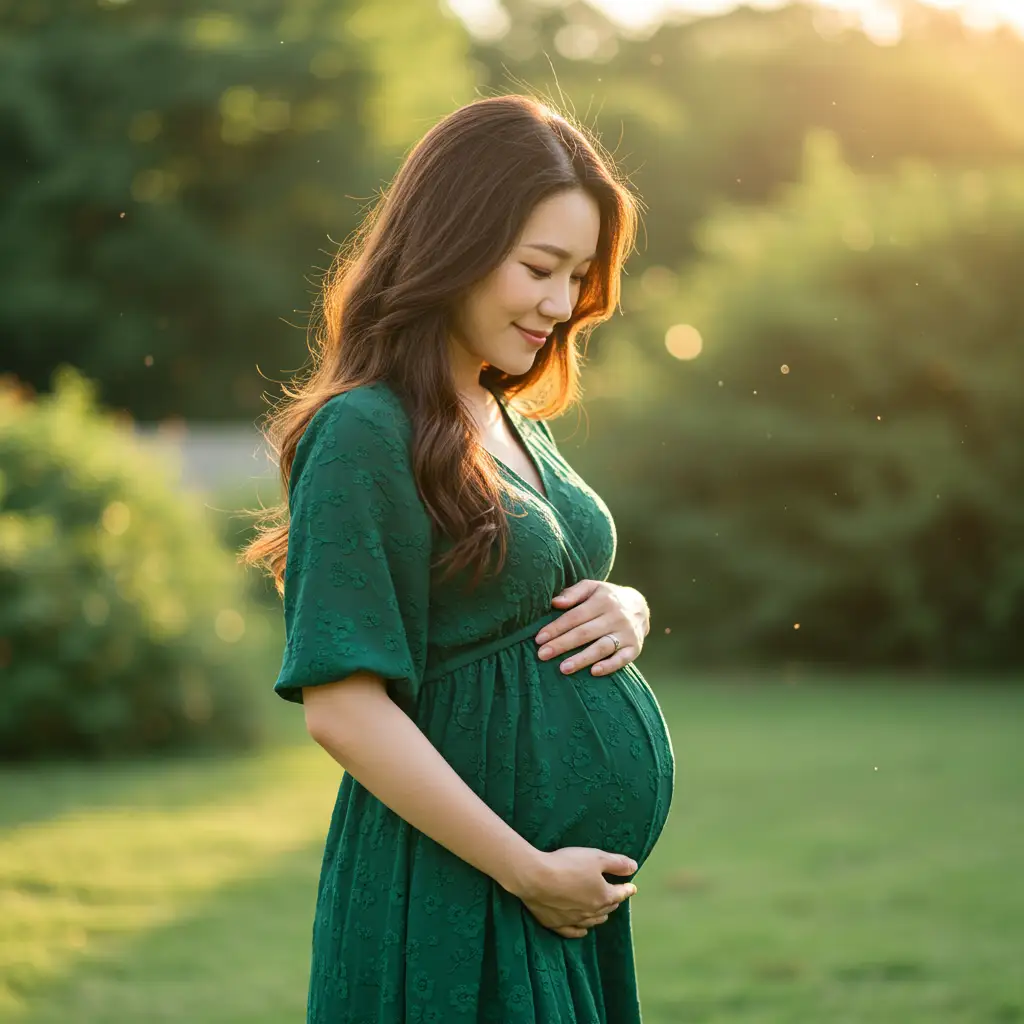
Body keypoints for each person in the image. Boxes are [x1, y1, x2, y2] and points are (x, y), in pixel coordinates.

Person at [242, 93, 675, 1024]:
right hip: (455, 892)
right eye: (539, 269)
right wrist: (528, 871)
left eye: (579, 276)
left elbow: (541, 579)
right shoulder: (362, 431)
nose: (562, 307)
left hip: (552, 898)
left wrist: (628, 608)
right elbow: (345, 711)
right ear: (454, 244)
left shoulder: (499, 412)